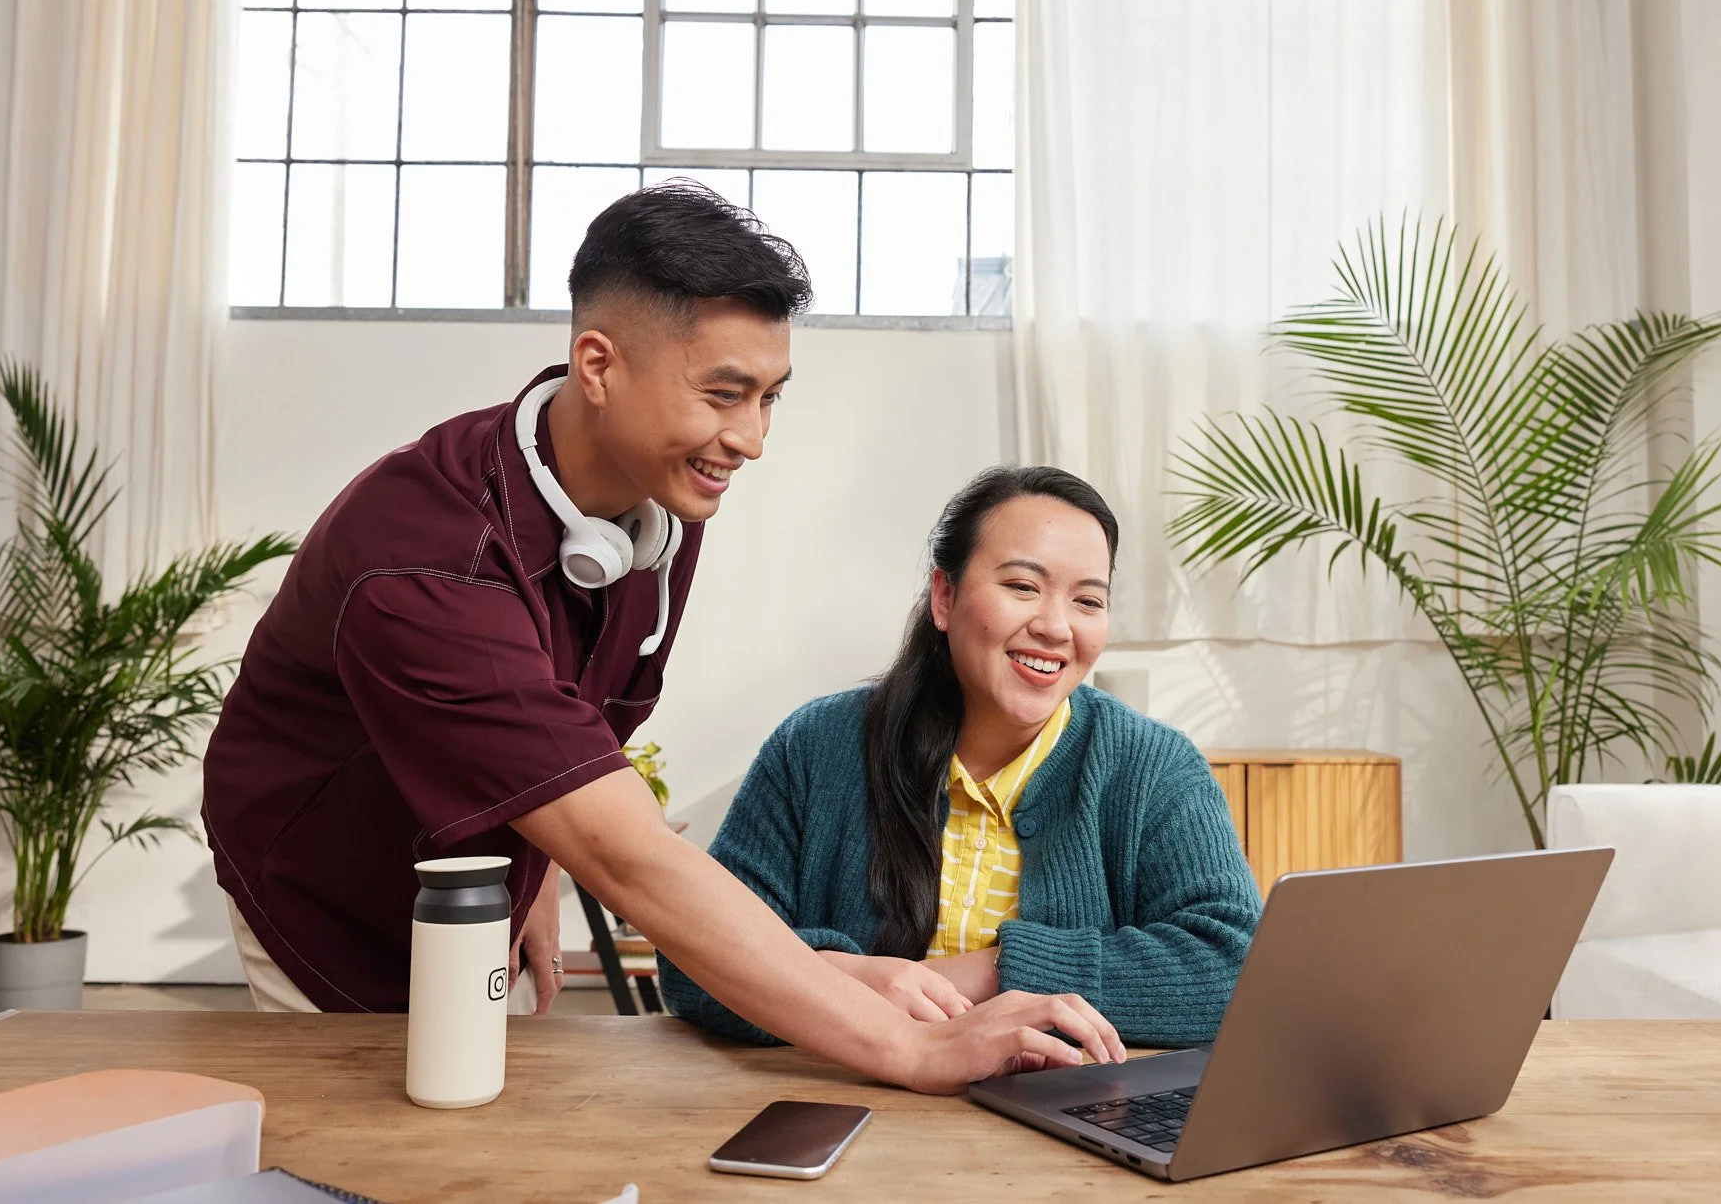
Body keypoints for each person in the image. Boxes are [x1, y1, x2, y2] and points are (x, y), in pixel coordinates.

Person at [201, 183, 1125, 1093]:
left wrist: (534, 852)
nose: (752, 439)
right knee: (381, 1151)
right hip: (330, 900)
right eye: (724, 394)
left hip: (482, 889)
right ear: (599, 366)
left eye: (770, 398)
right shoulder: (425, 561)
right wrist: (911, 1048)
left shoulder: (658, 507)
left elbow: (576, 731)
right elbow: (634, 857)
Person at [660, 466, 1261, 1047]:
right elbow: (694, 964)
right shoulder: (818, 746)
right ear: (944, 598)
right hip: (844, 1104)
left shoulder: (1153, 767)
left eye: (1087, 601)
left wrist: (994, 972)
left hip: (1061, 1128)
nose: (1055, 626)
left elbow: (1236, 969)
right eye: (1023, 587)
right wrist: (851, 980)